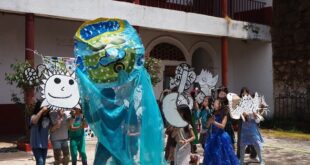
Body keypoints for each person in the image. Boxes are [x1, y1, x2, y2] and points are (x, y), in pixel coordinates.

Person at [203, 99, 239, 165]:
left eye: (216, 103)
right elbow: (207, 126)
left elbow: (222, 126)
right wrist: (209, 121)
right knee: (214, 155)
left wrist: (214, 122)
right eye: (214, 103)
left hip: (221, 137)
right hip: (213, 137)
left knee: (223, 156)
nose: (214, 104)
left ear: (220, 104)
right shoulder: (213, 113)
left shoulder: (224, 114)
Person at [237, 87, 257, 159]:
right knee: (240, 139)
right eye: (243, 92)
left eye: (246, 92)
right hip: (241, 122)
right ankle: (238, 155)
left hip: (249, 122)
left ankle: (254, 153)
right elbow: (236, 111)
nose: (244, 93)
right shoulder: (238, 101)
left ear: (248, 93)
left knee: (251, 138)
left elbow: (254, 111)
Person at [30, 100, 50, 165]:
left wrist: (60, 119)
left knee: (42, 162)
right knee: (40, 161)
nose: (46, 109)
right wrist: (41, 111)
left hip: (44, 144)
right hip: (36, 144)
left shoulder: (47, 119)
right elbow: (35, 121)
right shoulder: (33, 116)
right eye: (44, 107)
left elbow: (52, 129)